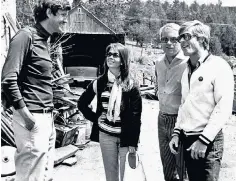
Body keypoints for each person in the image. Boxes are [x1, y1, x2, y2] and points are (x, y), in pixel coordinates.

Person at [1, 1, 71, 180]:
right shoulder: (26, 36)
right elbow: (8, 79)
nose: (66, 20)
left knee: (45, 177)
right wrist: (26, 116)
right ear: (49, 12)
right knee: (31, 177)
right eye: (63, 15)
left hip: (46, 119)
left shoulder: (45, 40)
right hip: (32, 119)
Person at [169, 20, 234, 181]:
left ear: (202, 39)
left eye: (187, 36)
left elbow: (224, 107)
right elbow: (184, 104)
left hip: (208, 142)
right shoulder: (187, 70)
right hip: (188, 138)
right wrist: (177, 133)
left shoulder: (219, 66)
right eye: (180, 38)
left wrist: (204, 140)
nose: (182, 41)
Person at [77, 43, 142, 181]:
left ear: (123, 60)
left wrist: (133, 142)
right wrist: (95, 118)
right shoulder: (99, 83)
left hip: (126, 136)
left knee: (127, 175)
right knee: (111, 176)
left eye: (115, 55)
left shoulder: (131, 84)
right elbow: (81, 103)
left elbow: (136, 116)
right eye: (108, 54)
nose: (110, 57)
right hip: (106, 136)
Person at [155, 23, 188, 181]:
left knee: (183, 169)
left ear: (181, 40)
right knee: (167, 167)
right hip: (162, 119)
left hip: (180, 121)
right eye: (164, 39)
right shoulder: (158, 63)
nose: (169, 43)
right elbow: (157, 86)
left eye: (174, 39)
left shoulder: (188, 63)